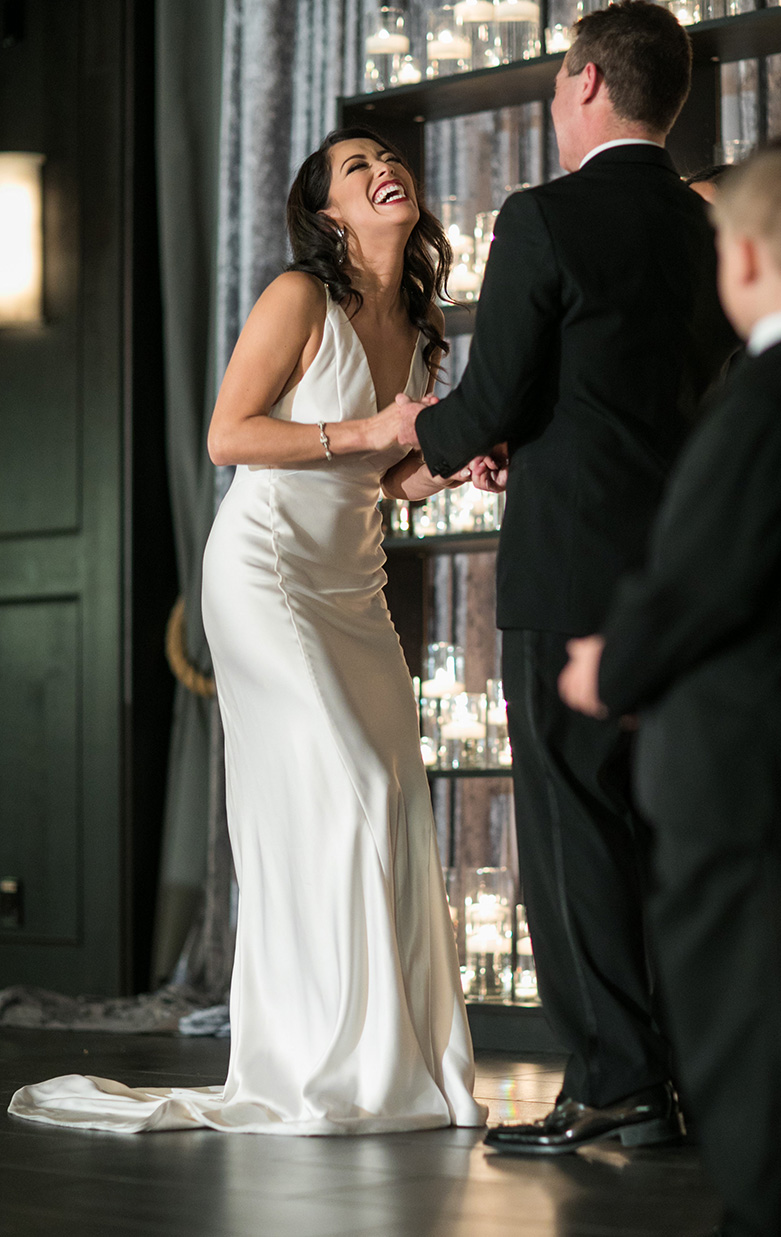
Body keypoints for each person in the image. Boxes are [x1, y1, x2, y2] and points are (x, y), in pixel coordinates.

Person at [8, 128, 487, 1136]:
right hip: (266, 570)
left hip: (352, 584)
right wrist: (368, 431)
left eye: (382, 157)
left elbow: (391, 481)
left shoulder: (421, 316)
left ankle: (389, 1060)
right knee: (352, 781)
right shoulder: (297, 297)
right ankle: (319, 1059)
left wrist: (455, 466)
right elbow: (230, 434)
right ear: (325, 212)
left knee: (395, 796)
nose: (376, 168)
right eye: (351, 168)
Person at [394, 0, 737, 1154]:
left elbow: (495, 399)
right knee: (669, 826)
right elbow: (651, 384)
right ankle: (686, 1073)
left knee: (572, 822)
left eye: (553, 85)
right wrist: (524, 430)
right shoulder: (705, 226)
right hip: (688, 569)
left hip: (573, 568)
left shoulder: (545, 219)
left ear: (587, 80)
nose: (551, 104)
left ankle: (614, 1081)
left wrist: (429, 452)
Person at [559, 134, 781, 1237]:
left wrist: (608, 665)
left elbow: (703, 578)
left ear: (748, 259)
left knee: (746, 1060)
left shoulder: (765, 399)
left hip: (741, 772)